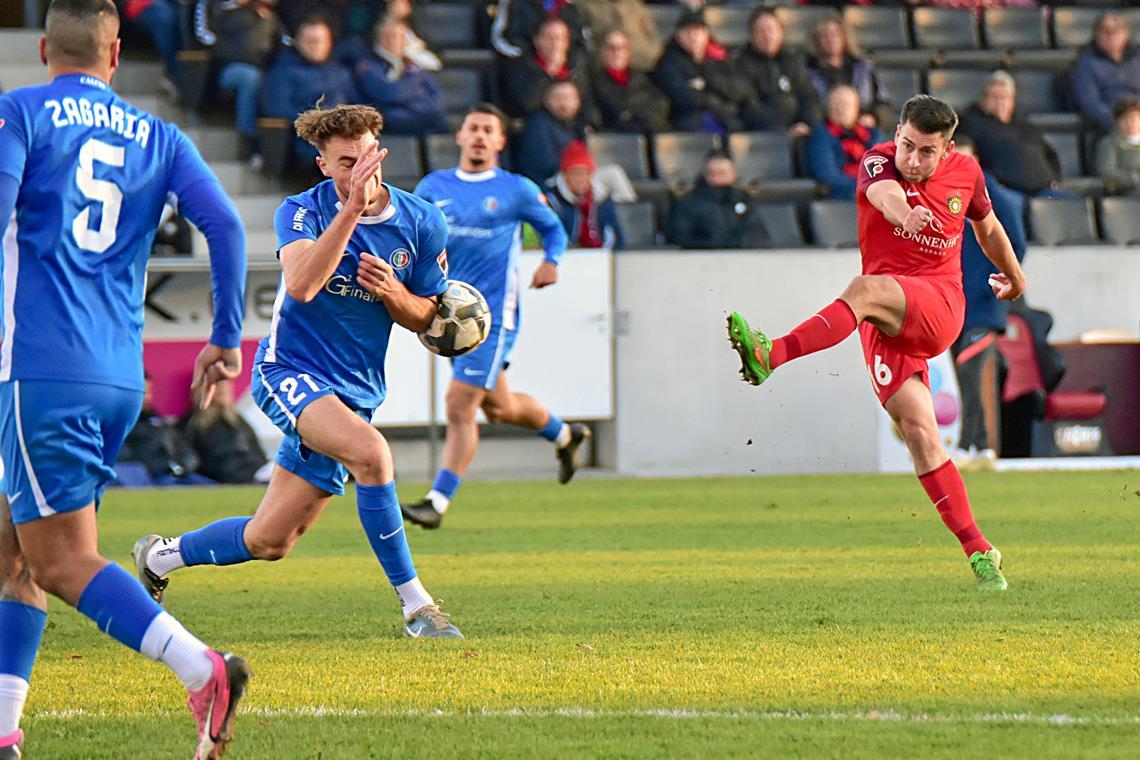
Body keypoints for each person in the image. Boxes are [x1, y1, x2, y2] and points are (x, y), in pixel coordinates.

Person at [0, 2, 250, 757]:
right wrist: (227, 339)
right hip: (115, 378)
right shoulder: (161, 138)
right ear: (114, 56)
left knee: (60, 559)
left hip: (38, 369)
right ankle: (5, 729)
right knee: (13, 553)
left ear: (44, 48)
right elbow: (229, 228)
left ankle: (202, 669)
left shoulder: (21, 111)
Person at [132, 103, 464, 639]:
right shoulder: (300, 211)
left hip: (354, 392)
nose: (361, 171)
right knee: (373, 454)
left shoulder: (422, 220)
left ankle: (161, 556)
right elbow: (305, 284)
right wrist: (351, 212)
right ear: (324, 167)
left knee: (270, 541)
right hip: (288, 370)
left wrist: (392, 291)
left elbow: (427, 317)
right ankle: (417, 607)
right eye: (346, 161)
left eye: (368, 157)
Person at [726, 95, 1027, 592]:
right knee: (920, 434)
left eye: (926, 152)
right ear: (899, 132)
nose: (912, 159)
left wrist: (1014, 277)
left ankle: (771, 354)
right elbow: (883, 194)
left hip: (938, 303)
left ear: (947, 149)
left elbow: (986, 225)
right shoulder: (878, 160)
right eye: (908, 145)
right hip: (885, 316)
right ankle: (980, 551)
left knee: (862, 289)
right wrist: (903, 212)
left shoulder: (967, 174)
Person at [402, 103, 589, 530]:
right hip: (447, 314)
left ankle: (437, 502)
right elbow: (413, 234)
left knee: (458, 404)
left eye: (490, 129)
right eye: (474, 128)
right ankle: (564, 434)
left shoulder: (516, 189)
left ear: (501, 141)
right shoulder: (434, 186)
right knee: (499, 407)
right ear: (461, 137)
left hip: (489, 317)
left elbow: (555, 228)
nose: (481, 136)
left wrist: (552, 261)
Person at [949, 138, 1028, 472]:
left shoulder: (999, 200)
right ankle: (980, 447)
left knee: (970, 371)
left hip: (983, 304)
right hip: (953, 304)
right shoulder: (945, 197)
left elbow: (1017, 245)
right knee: (964, 375)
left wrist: (1002, 278)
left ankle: (970, 446)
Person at [260, 16, 357, 165]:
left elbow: (357, 105)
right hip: (303, 139)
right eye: (310, 41)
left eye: (320, 41)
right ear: (298, 42)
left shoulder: (341, 73)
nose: (315, 46)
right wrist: (318, 122)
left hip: (343, 135)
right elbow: (277, 109)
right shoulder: (282, 71)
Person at [201, 0, 287, 163]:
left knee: (278, 78)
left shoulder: (267, 15)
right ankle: (248, 141)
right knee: (249, 77)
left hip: (262, 70)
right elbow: (206, 37)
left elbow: (285, 43)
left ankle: (275, 144)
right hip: (225, 70)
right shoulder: (217, 8)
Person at [957, 71, 1066, 198]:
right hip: (1005, 191)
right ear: (983, 98)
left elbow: (1050, 153)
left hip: (1044, 189)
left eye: (1005, 97)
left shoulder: (1025, 125)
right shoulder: (971, 122)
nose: (1000, 102)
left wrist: (1054, 179)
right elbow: (964, 153)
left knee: (1070, 203)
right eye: (995, 97)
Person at [650, 10, 748, 134]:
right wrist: (713, 97)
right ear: (678, 35)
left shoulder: (721, 59)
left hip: (725, 117)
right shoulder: (668, 63)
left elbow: (737, 91)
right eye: (687, 31)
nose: (693, 36)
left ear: (706, 34)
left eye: (698, 31)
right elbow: (683, 98)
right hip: (687, 122)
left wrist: (707, 82)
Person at [349, 15, 448, 136]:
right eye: (389, 36)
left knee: (439, 118)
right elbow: (390, 93)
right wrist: (417, 86)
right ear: (379, 39)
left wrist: (410, 108)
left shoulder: (414, 64)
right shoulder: (367, 65)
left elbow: (437, 100)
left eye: (399, 37)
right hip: (386, 127)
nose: (394, 42)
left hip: (413, 122)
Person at [736, 7, 822, 136]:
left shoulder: (792, 62)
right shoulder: (740, 65)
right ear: (752, 36)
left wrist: (806, 123)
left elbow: (809, 97)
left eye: (771, 29)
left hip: (798, 132)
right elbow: (747, 109)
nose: (767, 35)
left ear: (780, 33)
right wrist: (783, 129)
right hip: (761, 133)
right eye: (761, 31)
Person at [666, 149, 770, 249]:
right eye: (712, 173)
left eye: (722, 173)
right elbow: (682, 238)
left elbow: (757, 235)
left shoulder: (746, 201)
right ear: (705, 174)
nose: (717, 177)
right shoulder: (687, 203)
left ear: (734, 173)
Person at [498, 16, 592, 119]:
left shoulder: (576, 67)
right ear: (536, 40)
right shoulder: (522, 65)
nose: (555, 44)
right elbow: (527, 104)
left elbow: (587, 103)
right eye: (550, 38)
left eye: (560, 39)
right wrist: (549, 71)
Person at [181, 378, 271, 484]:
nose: (222, 390)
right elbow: (194, 464)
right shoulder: (192, 426)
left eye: (225, 386)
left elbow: (258, 453)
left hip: (257, 474)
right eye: (216, 386)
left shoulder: (237, 421)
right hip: (226, 481)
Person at [806, 17, 889, 128]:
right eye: (825, 35)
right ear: (816, 40)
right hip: (823, 129)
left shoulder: (863, 68)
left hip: (862, 128)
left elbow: (882, 103)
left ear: (845, 38)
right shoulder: (806, 70)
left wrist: (874, 117)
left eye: (835, 34)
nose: (831, 39)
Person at [807, 85, 883, 200]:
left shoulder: (873, 134)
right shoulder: (822, 135)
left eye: (845, 105)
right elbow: (828, 174)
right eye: (835, 105)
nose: (840, 109)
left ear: (857, 109)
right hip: (844, 195)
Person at [544, 140, 624, 249]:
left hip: (601, 257)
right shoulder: (552, 201)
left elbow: (616, 238)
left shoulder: (603, 200)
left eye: (584, 173)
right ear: (565, 176)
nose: (580, 179)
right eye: (575, 174)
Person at [590, 29, 669, 134]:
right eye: (611, 48)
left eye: (622, 48)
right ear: (602, 51)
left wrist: (634, 114)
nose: (617, 53)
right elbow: (615, 110)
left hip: (647, 130)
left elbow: (660, 104)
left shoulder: (641, 78)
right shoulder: (594, 81)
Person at [1072, 13, 1140, 134]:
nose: (1111, 36)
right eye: (1105, 31)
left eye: (1116, 30)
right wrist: (1119, 122)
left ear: (1126, 34)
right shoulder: (1086, 62)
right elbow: (1089, 102)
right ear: (1096, 35)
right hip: (1108, 126)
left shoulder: (1137, 59)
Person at [514, 80, 590, 185]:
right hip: (546, 183)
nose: (564, 103)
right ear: (546, 100)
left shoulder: (578, 125)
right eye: (557, 98)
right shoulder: (538, 124)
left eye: (569, 98)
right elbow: (545, 164)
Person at [1094, 97, 1140, 196]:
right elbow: (1107, 172)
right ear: (1117, 122)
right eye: (1125, 119)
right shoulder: (1109, 143)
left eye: (1134, 118)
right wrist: (1134, 179)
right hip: (1129, 192)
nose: (1130, 124)